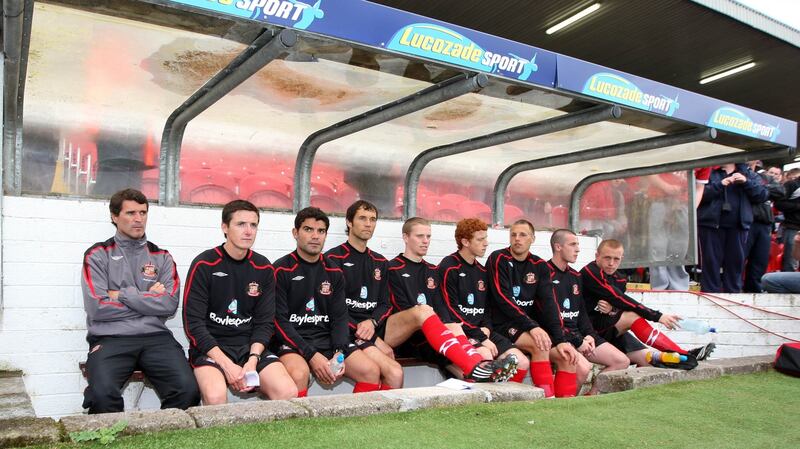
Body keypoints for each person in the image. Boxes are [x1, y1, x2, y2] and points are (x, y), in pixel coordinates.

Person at [81, 188, 199, 413]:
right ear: (114, 217)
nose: (138, 219)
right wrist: (149, 301)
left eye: (143, 213)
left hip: (156, 338)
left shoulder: (162, 257)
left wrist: (122, 294)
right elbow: (97, 308)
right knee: (102, 395)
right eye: (131, 213)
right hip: (111, 338)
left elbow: (169, 304)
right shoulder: (97, 255)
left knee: (187, 390)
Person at [183, 200, 297, 404]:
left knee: (287, 391)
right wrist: (227, 365)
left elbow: (265, 323)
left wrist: (252, 361)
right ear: (224, 227)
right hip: (213, 348)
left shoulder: (264, 268)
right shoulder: (204, 264)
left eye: (253, 225)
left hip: (249, 348)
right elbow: (193, 325)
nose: (248, 231)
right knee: (215, 396)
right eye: (241, 224)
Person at [387, 217, 518, 382]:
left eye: (428, 237)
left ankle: (479, 371)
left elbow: (443, 308)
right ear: (406, 237)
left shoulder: (432, 270)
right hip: (407, 336)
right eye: (420, 236)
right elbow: (401, 309)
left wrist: (449, 327)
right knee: (426, 313)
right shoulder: (393, 268)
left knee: (454, 327)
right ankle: (476, 367)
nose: (425, 241)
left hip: (432, 335)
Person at [272, 207, 381, 396]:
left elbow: (339, 317)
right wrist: (311, 355)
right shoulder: (280, 270)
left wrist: (339, 352)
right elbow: (279, 321)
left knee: (370, 371)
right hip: (294, 341)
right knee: (299, 374)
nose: (315, 236)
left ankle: (362, 425)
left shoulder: (334, 272)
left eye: (320, 231)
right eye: (308, 230)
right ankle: (298, 425)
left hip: (327, 340)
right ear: (295, 233)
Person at [581, 239, 715, 368]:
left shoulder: (619, 278)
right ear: (597, 256)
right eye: (607, 258)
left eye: (616, 259)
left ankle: (683, 356)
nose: (611, 263)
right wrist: (657, 316)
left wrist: (612, 309)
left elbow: (618, 303)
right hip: (586, 331)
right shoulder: (590, 272)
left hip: (603, 327)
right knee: (632, 316)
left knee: (648, 359)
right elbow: (619, 299)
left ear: (622, 258)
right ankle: (684, 354)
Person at [487, 219, 580, 398]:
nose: (517, 239)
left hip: (526, 325)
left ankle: (565, 405)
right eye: (513, 235)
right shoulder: (498, 258)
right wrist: (533, 327)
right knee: (540, 345)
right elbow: (502, 299)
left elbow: (549, 304)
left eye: (523, 235)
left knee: (567, 356)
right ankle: (546, 399)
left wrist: (560, 339)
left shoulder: (539, 265)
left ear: (533, 239)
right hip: (501, 324)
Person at [437, 218, 530, 382]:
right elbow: (450, 311)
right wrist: (480, 336)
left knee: (521, 362)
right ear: (465, 241)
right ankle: (485, 398)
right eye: (480, 239)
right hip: (461, 333)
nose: (486, 243)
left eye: (485, 238)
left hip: (482, 332)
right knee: (485, 356)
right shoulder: (449, 266)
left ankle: (512, 403)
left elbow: (487, 308)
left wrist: (486, 328)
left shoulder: (482, 270)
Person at [325, 200, 403, 389]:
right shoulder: (332, 259)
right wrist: (373, 338)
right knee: (376, 371)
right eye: (362, 218)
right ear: (349, 222)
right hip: (342, 332)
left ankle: (386, 419)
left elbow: (386, 304)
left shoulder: (380, 262)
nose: (368, 224)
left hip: (367, 331)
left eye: (372, 219)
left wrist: (372, 323)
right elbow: (331, 308)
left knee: (395, 373)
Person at [547, 230, 629, 395]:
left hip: (578, 335)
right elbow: (549, 318)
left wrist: (589, 335)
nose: (577, 249)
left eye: (578, 245)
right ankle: (561, 404)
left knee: (621, 361)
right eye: (573, 244)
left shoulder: (576, 276)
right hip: (555, 336)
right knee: (583, 368)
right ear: (558, 247)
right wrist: (578, 341)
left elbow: (581, 313)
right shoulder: (544, 272)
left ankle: (589, 399)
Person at [697, 163, 768, 293]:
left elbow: (762, 195)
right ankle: (710, 295)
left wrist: (746, 182)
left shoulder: (748, 173)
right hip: (710, 225)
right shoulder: (709, 170)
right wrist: (720, 185)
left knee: (736, 265)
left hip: (739, 226)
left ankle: (733, 295)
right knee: (710, 264)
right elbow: (698, 194)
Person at [743, 163, 784, 292]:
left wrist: (760, 188)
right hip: (747, 223)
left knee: (759, 261)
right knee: (739, 259)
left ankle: (754, 291)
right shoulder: (740, 174)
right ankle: (735, 289)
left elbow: (780, 191)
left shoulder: (763, 178)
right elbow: (755, 193)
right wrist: (762, 190)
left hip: (764, 224)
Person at [646, 172, 690, 291]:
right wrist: (668, 188)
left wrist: (690, 208)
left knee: (679, 247)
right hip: (658, 200)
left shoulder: (701, 159)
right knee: (657, 246)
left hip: (683, 204)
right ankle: (659, 286)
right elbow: (649, 171)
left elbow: (699, 186)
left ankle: (679, 287)